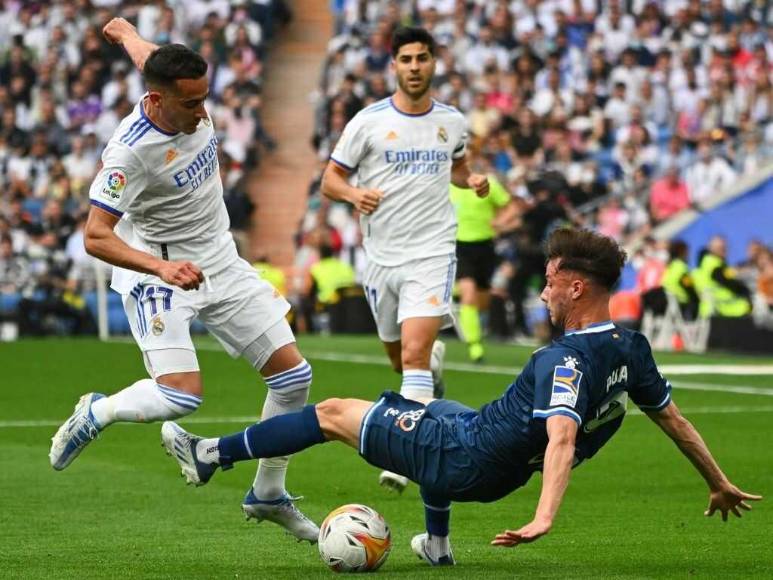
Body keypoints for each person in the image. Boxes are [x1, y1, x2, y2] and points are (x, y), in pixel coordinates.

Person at [161, 228, 761, 566]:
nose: (544, 290)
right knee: (437, 408)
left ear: (576, 287)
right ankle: (438, 548)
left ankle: (210, 455)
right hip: (494, 463)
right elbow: (675, 421)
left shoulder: (563, 359)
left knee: (330, 413)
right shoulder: (631, 347)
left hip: (467, 456)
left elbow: (561, 436)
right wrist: (717, 480)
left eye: (551, 280)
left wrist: (545, 518)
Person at [47, 18, 318, 543]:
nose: (203, 111)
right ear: (157, 100)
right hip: (160, 272)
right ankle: (97, 411)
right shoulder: (128, 154)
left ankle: (266, 493)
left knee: (293, 380)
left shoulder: (178, 93)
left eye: (204, 98)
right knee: (181, 399)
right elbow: (96, 236)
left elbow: (148, 56)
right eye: (192, 103)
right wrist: (163, 269)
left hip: (220, 259)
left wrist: (124, 33)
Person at [320, 26, 489, 492]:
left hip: (432, 251)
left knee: (411, 354)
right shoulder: (367, 122)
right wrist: (354, 193)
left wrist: (471, 181)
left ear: (435, 63)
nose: (415, 67)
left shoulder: (451, 121)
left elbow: (456, 167)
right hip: (381, 258)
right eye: (407, 59)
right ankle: (431, 370)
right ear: (393, 65)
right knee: (402, 360)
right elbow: (329, 181)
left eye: (423, 58)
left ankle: (403, 455)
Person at [450, 154, 518, 362]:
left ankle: (466, 310)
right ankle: (475, 346)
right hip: (460, 245)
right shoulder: (449, 186)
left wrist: (500, 223)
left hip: (485, 246)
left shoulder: (490, 184)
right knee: (468, 293)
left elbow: (511, 207)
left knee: (483, 299)